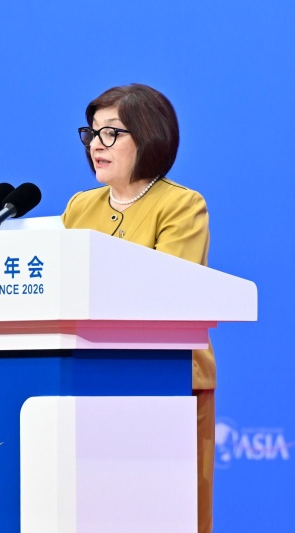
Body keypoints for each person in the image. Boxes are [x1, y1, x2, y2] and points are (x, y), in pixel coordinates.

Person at [61, 83, 215, 533]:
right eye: (92, 133)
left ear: (147, 137)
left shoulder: (181, 205)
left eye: (111, 133)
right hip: (89, 378)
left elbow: (170, 291)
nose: (96, 145)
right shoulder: (79, 207)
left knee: (170, 511)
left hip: (169, 378)